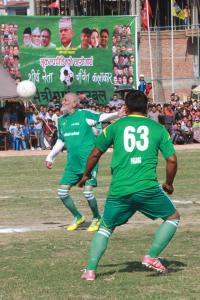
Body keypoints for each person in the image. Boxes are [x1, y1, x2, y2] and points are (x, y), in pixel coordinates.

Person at [79, 90, 180, 281]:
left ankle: (90, 270)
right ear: (147, 108)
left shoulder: (115, 127)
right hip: (147, 188)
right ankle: (151, 256)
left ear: (125, 108)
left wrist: (85, 175)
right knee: (173, 217)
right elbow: (172, 160)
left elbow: (94, 154)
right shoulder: (157, 128)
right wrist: (168, 183)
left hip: (119, 190)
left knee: (105, 228)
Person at [45, 93, 125, 232]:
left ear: (75, 103)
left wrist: (118, 114)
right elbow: (61, 140)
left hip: (88, 162)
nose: (62, 102)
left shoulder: (84, 115)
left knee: (87, 193)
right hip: (72, 164)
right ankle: (78, 217)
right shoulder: (62, 120)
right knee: (62, 192)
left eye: (66, 100)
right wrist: (50, 157)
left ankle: (96, 218)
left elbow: (101, 117)